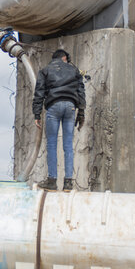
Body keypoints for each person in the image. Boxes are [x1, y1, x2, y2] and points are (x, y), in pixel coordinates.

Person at [32, 49, 85, 191]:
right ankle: (68, 182)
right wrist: (81, 113)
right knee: (68, 146)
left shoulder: (45, 70)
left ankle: (52, 181)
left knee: (51, 145)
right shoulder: (74, 70)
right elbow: (81, 92)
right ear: (63, 58)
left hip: (53, 106)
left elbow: (39, 93)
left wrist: (37, 114)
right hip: (70, 106)